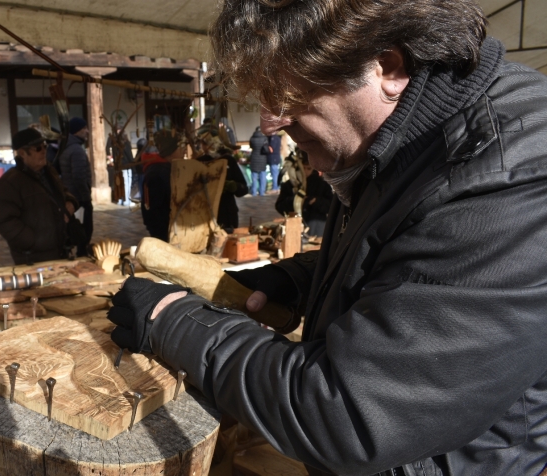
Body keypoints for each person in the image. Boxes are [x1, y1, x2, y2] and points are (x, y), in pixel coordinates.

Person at [105, 1, 547, 475]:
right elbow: (410, 259)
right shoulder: (402, 140)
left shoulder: (510, 173)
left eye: (285, 95)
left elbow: (347, 414)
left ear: (388, 66)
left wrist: (170, 319)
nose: (270, 124)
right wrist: (296, 281)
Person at [0, 128, 80, 265]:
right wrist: (31, 240)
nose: (44, 151)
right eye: (38, 148)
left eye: (45, 146)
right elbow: (3, 220)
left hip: (61, 250)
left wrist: (70, 202)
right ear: (22, 153)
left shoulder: (49, 171)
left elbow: (63, 191)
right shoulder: (10, 182)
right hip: (32, 257)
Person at [196, 132, 248, 232]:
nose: (203, 147)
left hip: (227, 215)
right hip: (204, 214)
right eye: (202, 144)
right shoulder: (199, 162)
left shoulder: (229, 160)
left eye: (205, 144)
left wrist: (233, 186)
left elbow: (244, 188)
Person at [139, 131, 185, 241]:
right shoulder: (158, 173)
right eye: (180, 148)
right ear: (171, 152)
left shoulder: (166, 169)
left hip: (170, 227)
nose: (183, 151)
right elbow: (154, 209)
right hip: (164, 230)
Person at [58, 117, 93, 257]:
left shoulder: (66, 147)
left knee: (74, 228)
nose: (87, 131)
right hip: (79, 198)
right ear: (77, 131)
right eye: (84, 128)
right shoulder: (76, 150)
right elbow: (78, 177)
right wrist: (86, 197)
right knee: (84, 230)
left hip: (71, 195)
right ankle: (82, 256)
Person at [106, 127, 134, 206]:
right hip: (125, 166)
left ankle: (121, 199)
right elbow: (129, 155)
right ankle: (126, 200)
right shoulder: (125, 143)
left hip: (119, 166)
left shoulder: (115, 144)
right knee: (126, 183)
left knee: (120, 183)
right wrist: (133, 163)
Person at [248, 126, 268, 196]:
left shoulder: (252, 138)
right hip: (262, 159)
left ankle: (254, 192)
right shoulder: (264, 138)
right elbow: (266, 148)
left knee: (254, 178)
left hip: (254, 158)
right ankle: (262, 192)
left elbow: (251, 146)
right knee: (262, 178)